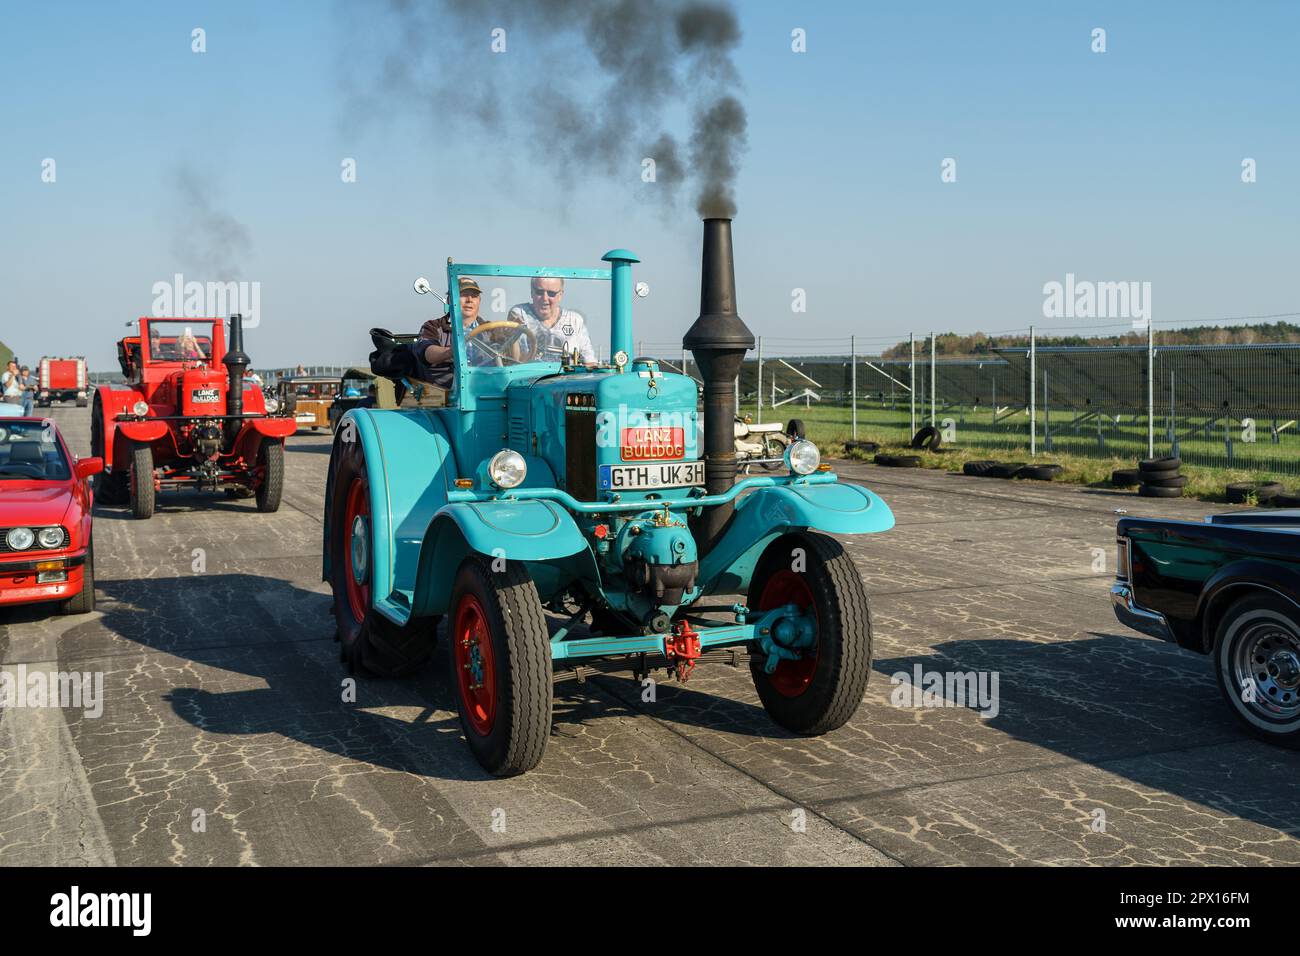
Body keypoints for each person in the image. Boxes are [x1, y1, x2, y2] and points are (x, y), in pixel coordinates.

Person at [414, 276, 487, 390]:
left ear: (479, 301)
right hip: (447, 396)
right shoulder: (433, 326)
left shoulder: (490, 329)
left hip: (488, 389)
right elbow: (426, 352)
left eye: (474, 295)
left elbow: (514, 358)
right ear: (449, 299)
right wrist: (451, 351)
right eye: (463, 294)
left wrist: (516, 337)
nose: (469, 299)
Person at [507, 277, 596, 364]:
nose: (545, 298)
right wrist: (513, 335)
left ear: (560, 295)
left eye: (551, 293)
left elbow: (589, 361)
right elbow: (515, 361)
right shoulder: (520, 314)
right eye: (539, 292)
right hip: (531, 377)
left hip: (568, 378)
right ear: (531, 292)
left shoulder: (574, 320)